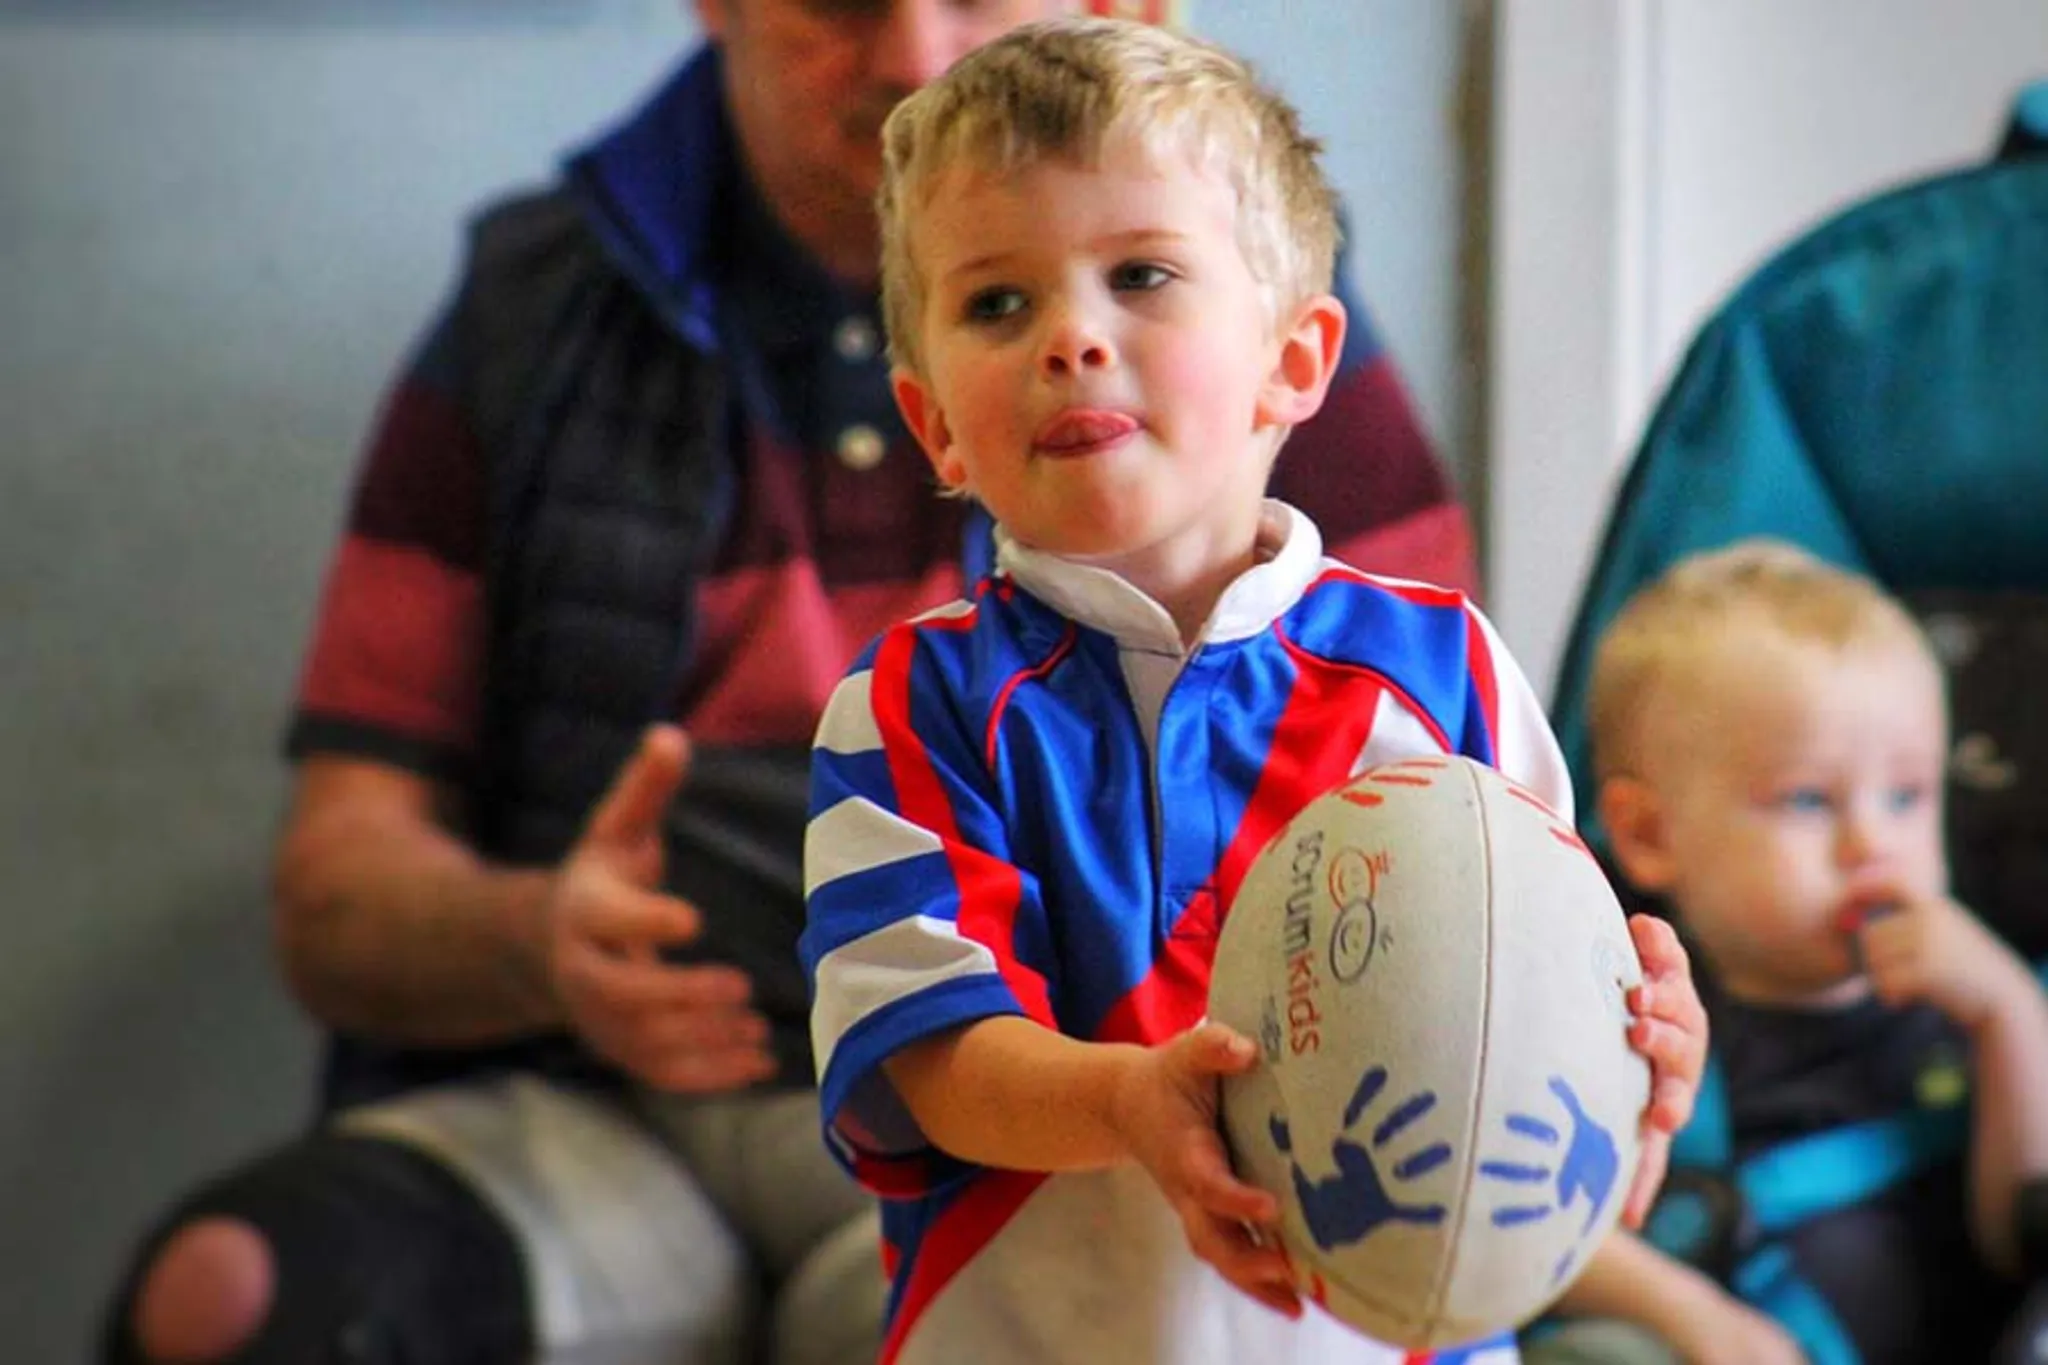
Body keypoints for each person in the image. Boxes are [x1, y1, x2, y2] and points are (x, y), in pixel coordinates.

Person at [100, 3, 1493, 1364]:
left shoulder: (1250, 319)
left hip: (1054, 1132)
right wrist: (542, 945)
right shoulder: (536, 307)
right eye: (997, 300)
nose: (905, 49)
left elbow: (1452, 894)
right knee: (230, 1298)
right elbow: (336, 886)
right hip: (605, 1107)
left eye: (1139, 276)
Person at [799, 18, 1708, 1365]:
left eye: (1142, 274)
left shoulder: (1446, 669)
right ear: (933, 421)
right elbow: (924, 1058)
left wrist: (1637, 1048)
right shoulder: (913, 704)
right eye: (1000, 301)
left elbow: (1532, 987)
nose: (1071, 337)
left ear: (1296, 360)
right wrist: (1126, 1103)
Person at [1532, 540, 2048, 1365]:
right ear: (1650, 834)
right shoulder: (1631, 1013)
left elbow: (2017, 1237)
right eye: (1808, 799)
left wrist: (2009, 1015)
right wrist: (1699, 1319)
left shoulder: (1977, 1000)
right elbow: (1522, 1221)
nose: (1871, 842)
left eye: (1907, 795)